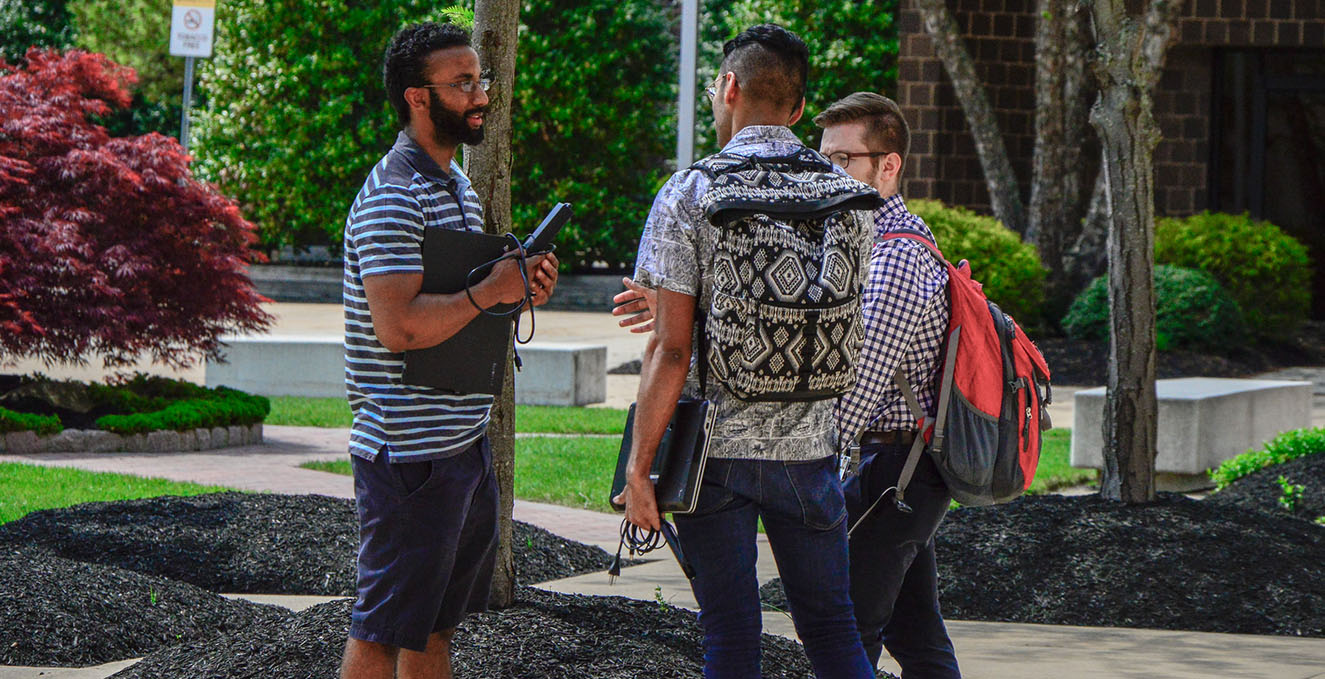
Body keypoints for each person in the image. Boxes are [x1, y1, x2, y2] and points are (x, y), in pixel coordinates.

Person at [614, 24, 876, 679]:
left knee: (729, 639)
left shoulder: (691, 192)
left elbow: (671, 351)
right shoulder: (851, 199)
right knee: (833, 631)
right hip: (812, 448)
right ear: (794, 109)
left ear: (727, 87)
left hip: (715, 456)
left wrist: (639, 470)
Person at [340, 22, 558, 679]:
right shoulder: (393, 196)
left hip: (460, 447)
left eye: (480, 80)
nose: (479, 94)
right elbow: (398, 327)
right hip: (409, 457)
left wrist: (517, 293)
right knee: (380, 633)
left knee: (432, 632)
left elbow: (460, 305)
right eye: (462, 82)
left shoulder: (452, 187)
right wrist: (489, 290)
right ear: (415, 97)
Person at [817, 92, 961, 679]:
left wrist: (808, 464)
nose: (827, 174)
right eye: (822, 157)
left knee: (850, 633)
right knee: (917, 635)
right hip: (898, 470)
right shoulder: (870, 242)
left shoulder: (898, 257)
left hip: (895, 472)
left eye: (844, 160)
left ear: (889, 165)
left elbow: (861, 382)